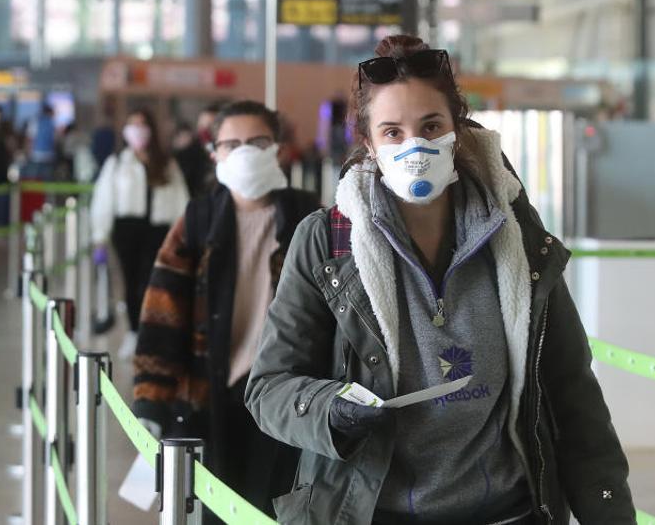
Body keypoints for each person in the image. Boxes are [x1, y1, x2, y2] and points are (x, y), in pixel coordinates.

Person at [245, 35, 634, 524]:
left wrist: (609, 511)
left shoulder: (516, 240)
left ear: (457, 129)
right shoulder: (328, 244)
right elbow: (270, 389)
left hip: (507, 513)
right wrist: (332, 409)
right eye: (392, 132)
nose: (415, 146)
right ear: (368, 142)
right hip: (373, 513)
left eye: (431, 126)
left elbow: (571, 392)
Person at [131, 100, 317, 518]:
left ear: (278, 148)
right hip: (211, 395)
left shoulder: (310, 218)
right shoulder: (198, 221)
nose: (244, 152)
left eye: (257, 141)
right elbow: (163, 313)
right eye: (231, 143)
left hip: (286, 399)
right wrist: (151, 400)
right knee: (217, 508)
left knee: (276, 505)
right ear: (213, 152)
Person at [90, 108, 190, 358]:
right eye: (132, 124)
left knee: (152, 283)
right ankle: (134, 332)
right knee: (131, 282)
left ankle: (152, 335)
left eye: (142, 124)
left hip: (158, 230)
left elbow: (181, 200)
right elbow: (103, 200)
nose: (137, 129)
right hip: (126, 229)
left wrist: (184, 234)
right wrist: (99, 236)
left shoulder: (166, 163)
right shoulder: (117, 163)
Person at [171, 101, 225, 196]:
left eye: (210, 126)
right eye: (202, 125)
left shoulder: (228, 156)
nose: (205, 130)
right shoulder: (185, 156)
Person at [26, 104, 58, 180]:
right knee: (47, 179)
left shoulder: (35, 121)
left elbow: (30, 139)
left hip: (36, 155)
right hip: (49, 156)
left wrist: (28, 152)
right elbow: (55, 140)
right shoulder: (52, 123)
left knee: (34, 180)